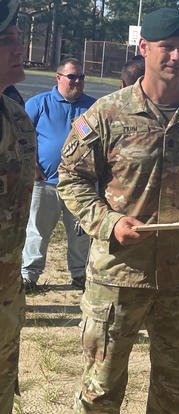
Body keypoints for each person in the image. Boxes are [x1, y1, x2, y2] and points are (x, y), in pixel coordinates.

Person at [56, 8, 179, 412]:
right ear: (144, 48)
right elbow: (71, 178)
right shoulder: (107, 113)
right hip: (118, 275)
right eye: (167, 47)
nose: (176, 57)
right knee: (101, 389)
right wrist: (109, 222)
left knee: (174, 389)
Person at [20, 57, 95, 292]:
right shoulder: (38, 103)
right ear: (59, 77)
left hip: (79, 184)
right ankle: (29, 275)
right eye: (72, 76)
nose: (77, 81)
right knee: (37, 231)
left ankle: (80, 274)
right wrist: (32, 167)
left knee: (80, 233)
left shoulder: (92, 107)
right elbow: (22, 136)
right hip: (45, 183)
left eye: (81, 77)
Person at [0, 0, 37, 411]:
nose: (19, 47)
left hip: (7, 297)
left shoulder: (16, 116)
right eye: (6, 40)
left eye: (19, 38)